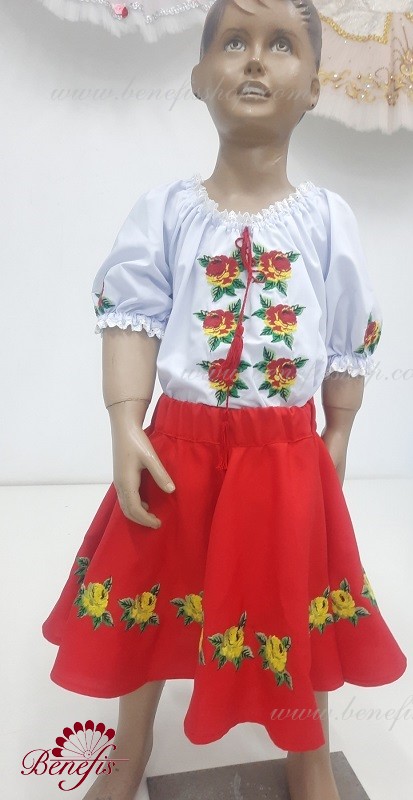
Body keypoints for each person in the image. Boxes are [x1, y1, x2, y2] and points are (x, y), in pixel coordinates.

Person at [42, 1, 407, 799]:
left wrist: (337, 432)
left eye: (282, 45)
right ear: (199, 74)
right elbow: (130, 314)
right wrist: (125, 424)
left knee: (294, 596)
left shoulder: (325, 219)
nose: (254, 60)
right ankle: (130, 745)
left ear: (315, 85)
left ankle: (306, 748)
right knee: (150, 586)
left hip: (283, 455)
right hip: (176, 448)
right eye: (233, 41)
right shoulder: (168, 211)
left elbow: (350, 330)